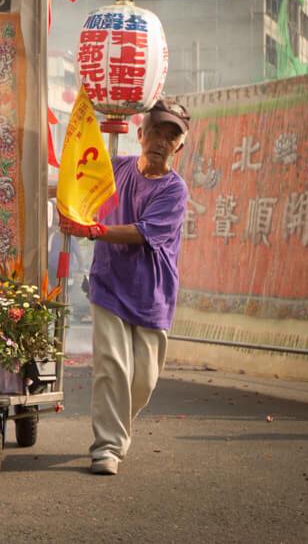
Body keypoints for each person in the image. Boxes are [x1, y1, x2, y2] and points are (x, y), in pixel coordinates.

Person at [59, 98, 190, 476]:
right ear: (140, 133)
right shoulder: (114, 169)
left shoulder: (173, 190)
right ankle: (107, 447)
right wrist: (62, 197)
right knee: (112, 368)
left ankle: (115, 426)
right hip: (109, 283)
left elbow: (144, 233)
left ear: (179, 146)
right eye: (156, 132)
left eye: (171, 136)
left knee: (143, 380)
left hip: (153, 294)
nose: (161, 142)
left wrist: (95, 231)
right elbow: (75, 182)